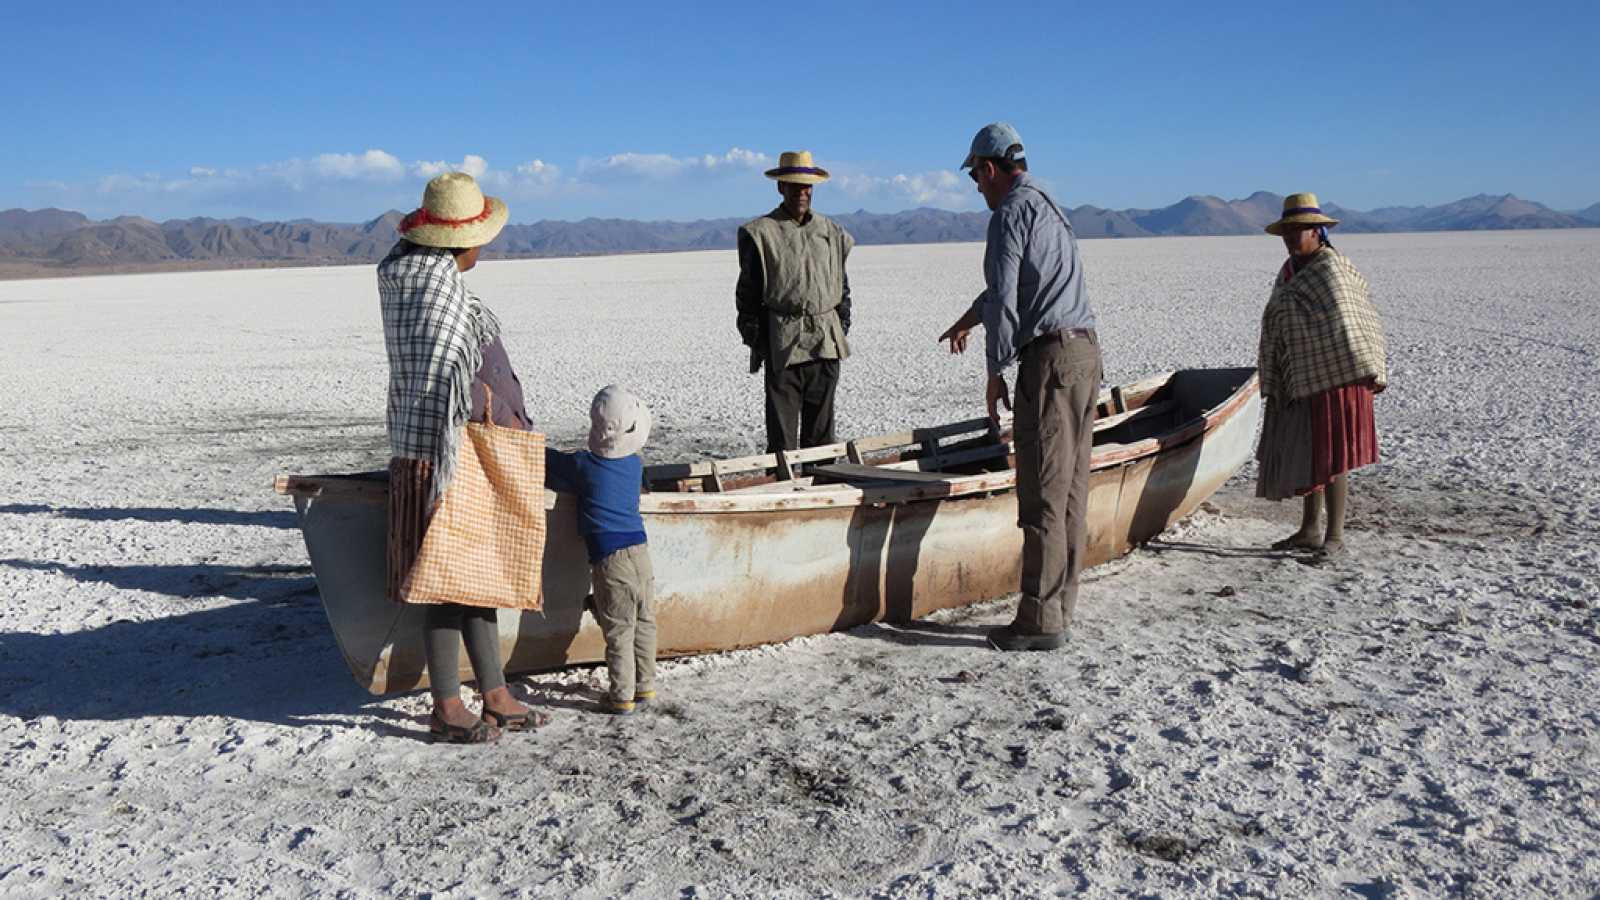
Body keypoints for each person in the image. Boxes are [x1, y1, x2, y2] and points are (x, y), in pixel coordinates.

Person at [378, 171, 547, 743]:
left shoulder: (411, 278)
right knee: (450, 580)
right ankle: (448, 705)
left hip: (433, 445)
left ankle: (494, 692)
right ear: (459, 241)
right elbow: (453, 378)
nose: (483, 248)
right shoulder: (437, 290)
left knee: (479, 572)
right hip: (444, 451)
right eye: (479, 237)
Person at [938, 122, 1103, 652]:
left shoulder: (1010, 213)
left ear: (989, 170)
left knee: (1042, 494)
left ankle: (1039, 620)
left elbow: (1007, 297)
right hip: (1083, 355)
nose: (977, 189)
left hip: (1049, 361)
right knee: (1072, 492)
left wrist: (994, 372)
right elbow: (1011, 290)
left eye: (976, 178)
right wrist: (969, 317)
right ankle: (1058, 608)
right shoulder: (1049, 203)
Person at [1255, 193, 1387, 558]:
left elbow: (1350, 321)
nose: (1290, 238)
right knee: (1310, 451)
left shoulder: (1331, 268)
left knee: (1333, 455)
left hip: (1336, 373)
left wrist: (1357, 365)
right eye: (1286, 231)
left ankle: (1335, 536)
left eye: (1297, 231)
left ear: (1317, 231)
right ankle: (1309, 529)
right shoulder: (1289, 271)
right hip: (1299, 373)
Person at [544, 386, 656, 715]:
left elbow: (553, 463)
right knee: (644, 621)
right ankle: (645, 685)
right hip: (641, 552)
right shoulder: (634, 465)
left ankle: (621, 695)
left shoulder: (583, 465)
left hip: (611, 560)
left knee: (619, 629)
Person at [735, 150, 855, 453]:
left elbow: (842, 285)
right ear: (780, 187)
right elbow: (747, 295)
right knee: (782, 437)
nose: (802, 192)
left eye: (807, 187)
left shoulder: (832, 232)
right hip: (783, 343)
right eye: (794, 185)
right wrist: (759, 340)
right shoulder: (760, 233)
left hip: (825, 342)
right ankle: (785, 491)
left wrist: (841, 325)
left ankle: (823, 489)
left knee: (822, 435)